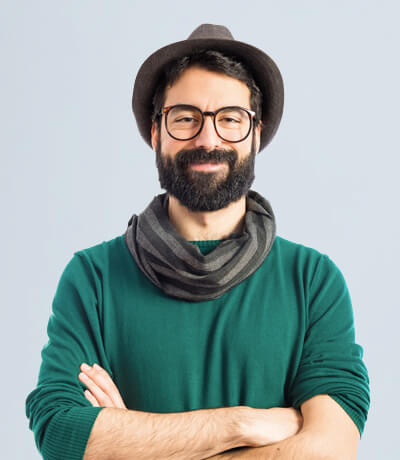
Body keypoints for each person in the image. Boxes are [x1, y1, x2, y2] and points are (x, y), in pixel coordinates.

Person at [25, 24, 370, 459]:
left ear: (256, 134)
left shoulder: (312, 280)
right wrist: (241, 424)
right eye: (186, 118)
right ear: (156, 133)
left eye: (230, 119)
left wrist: (133, 442)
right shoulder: (93, 278)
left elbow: (330, 450)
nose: (208, 139)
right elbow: (59, 433)